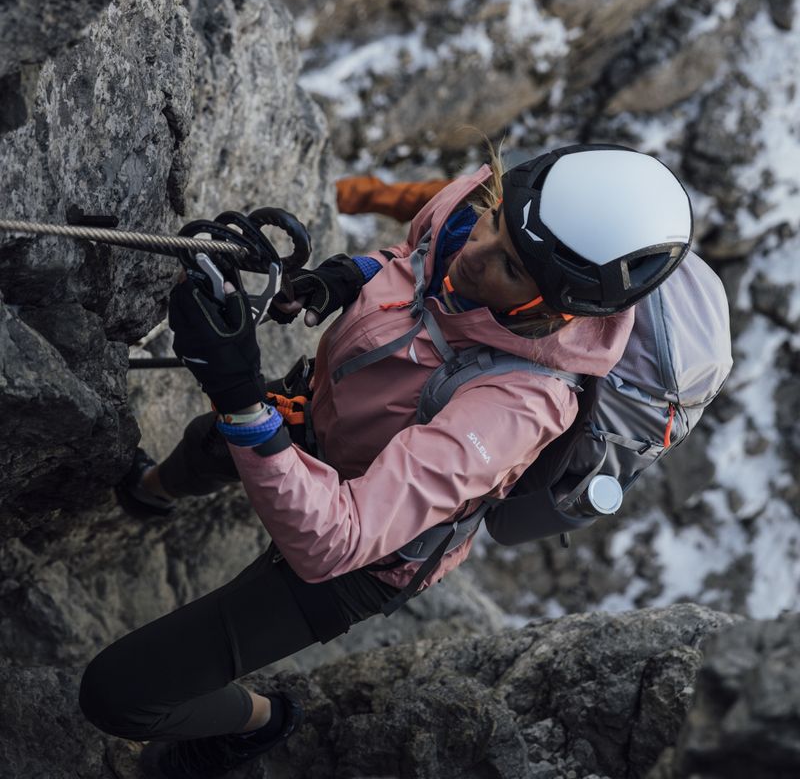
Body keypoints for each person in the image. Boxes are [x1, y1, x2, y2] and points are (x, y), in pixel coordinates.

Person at [79, 143, 693, 779]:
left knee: (119, 695)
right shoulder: (487, 209)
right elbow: (415, 258)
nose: (475, 251)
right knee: (213, 443)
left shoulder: (521, 406)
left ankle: (262, 723)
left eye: (509, 267)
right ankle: (149, 491)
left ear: (555, 310)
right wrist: (344, 278)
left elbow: (336, 541)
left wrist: (240, 397)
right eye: (493, 222)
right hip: (325, 413)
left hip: (367, 560)